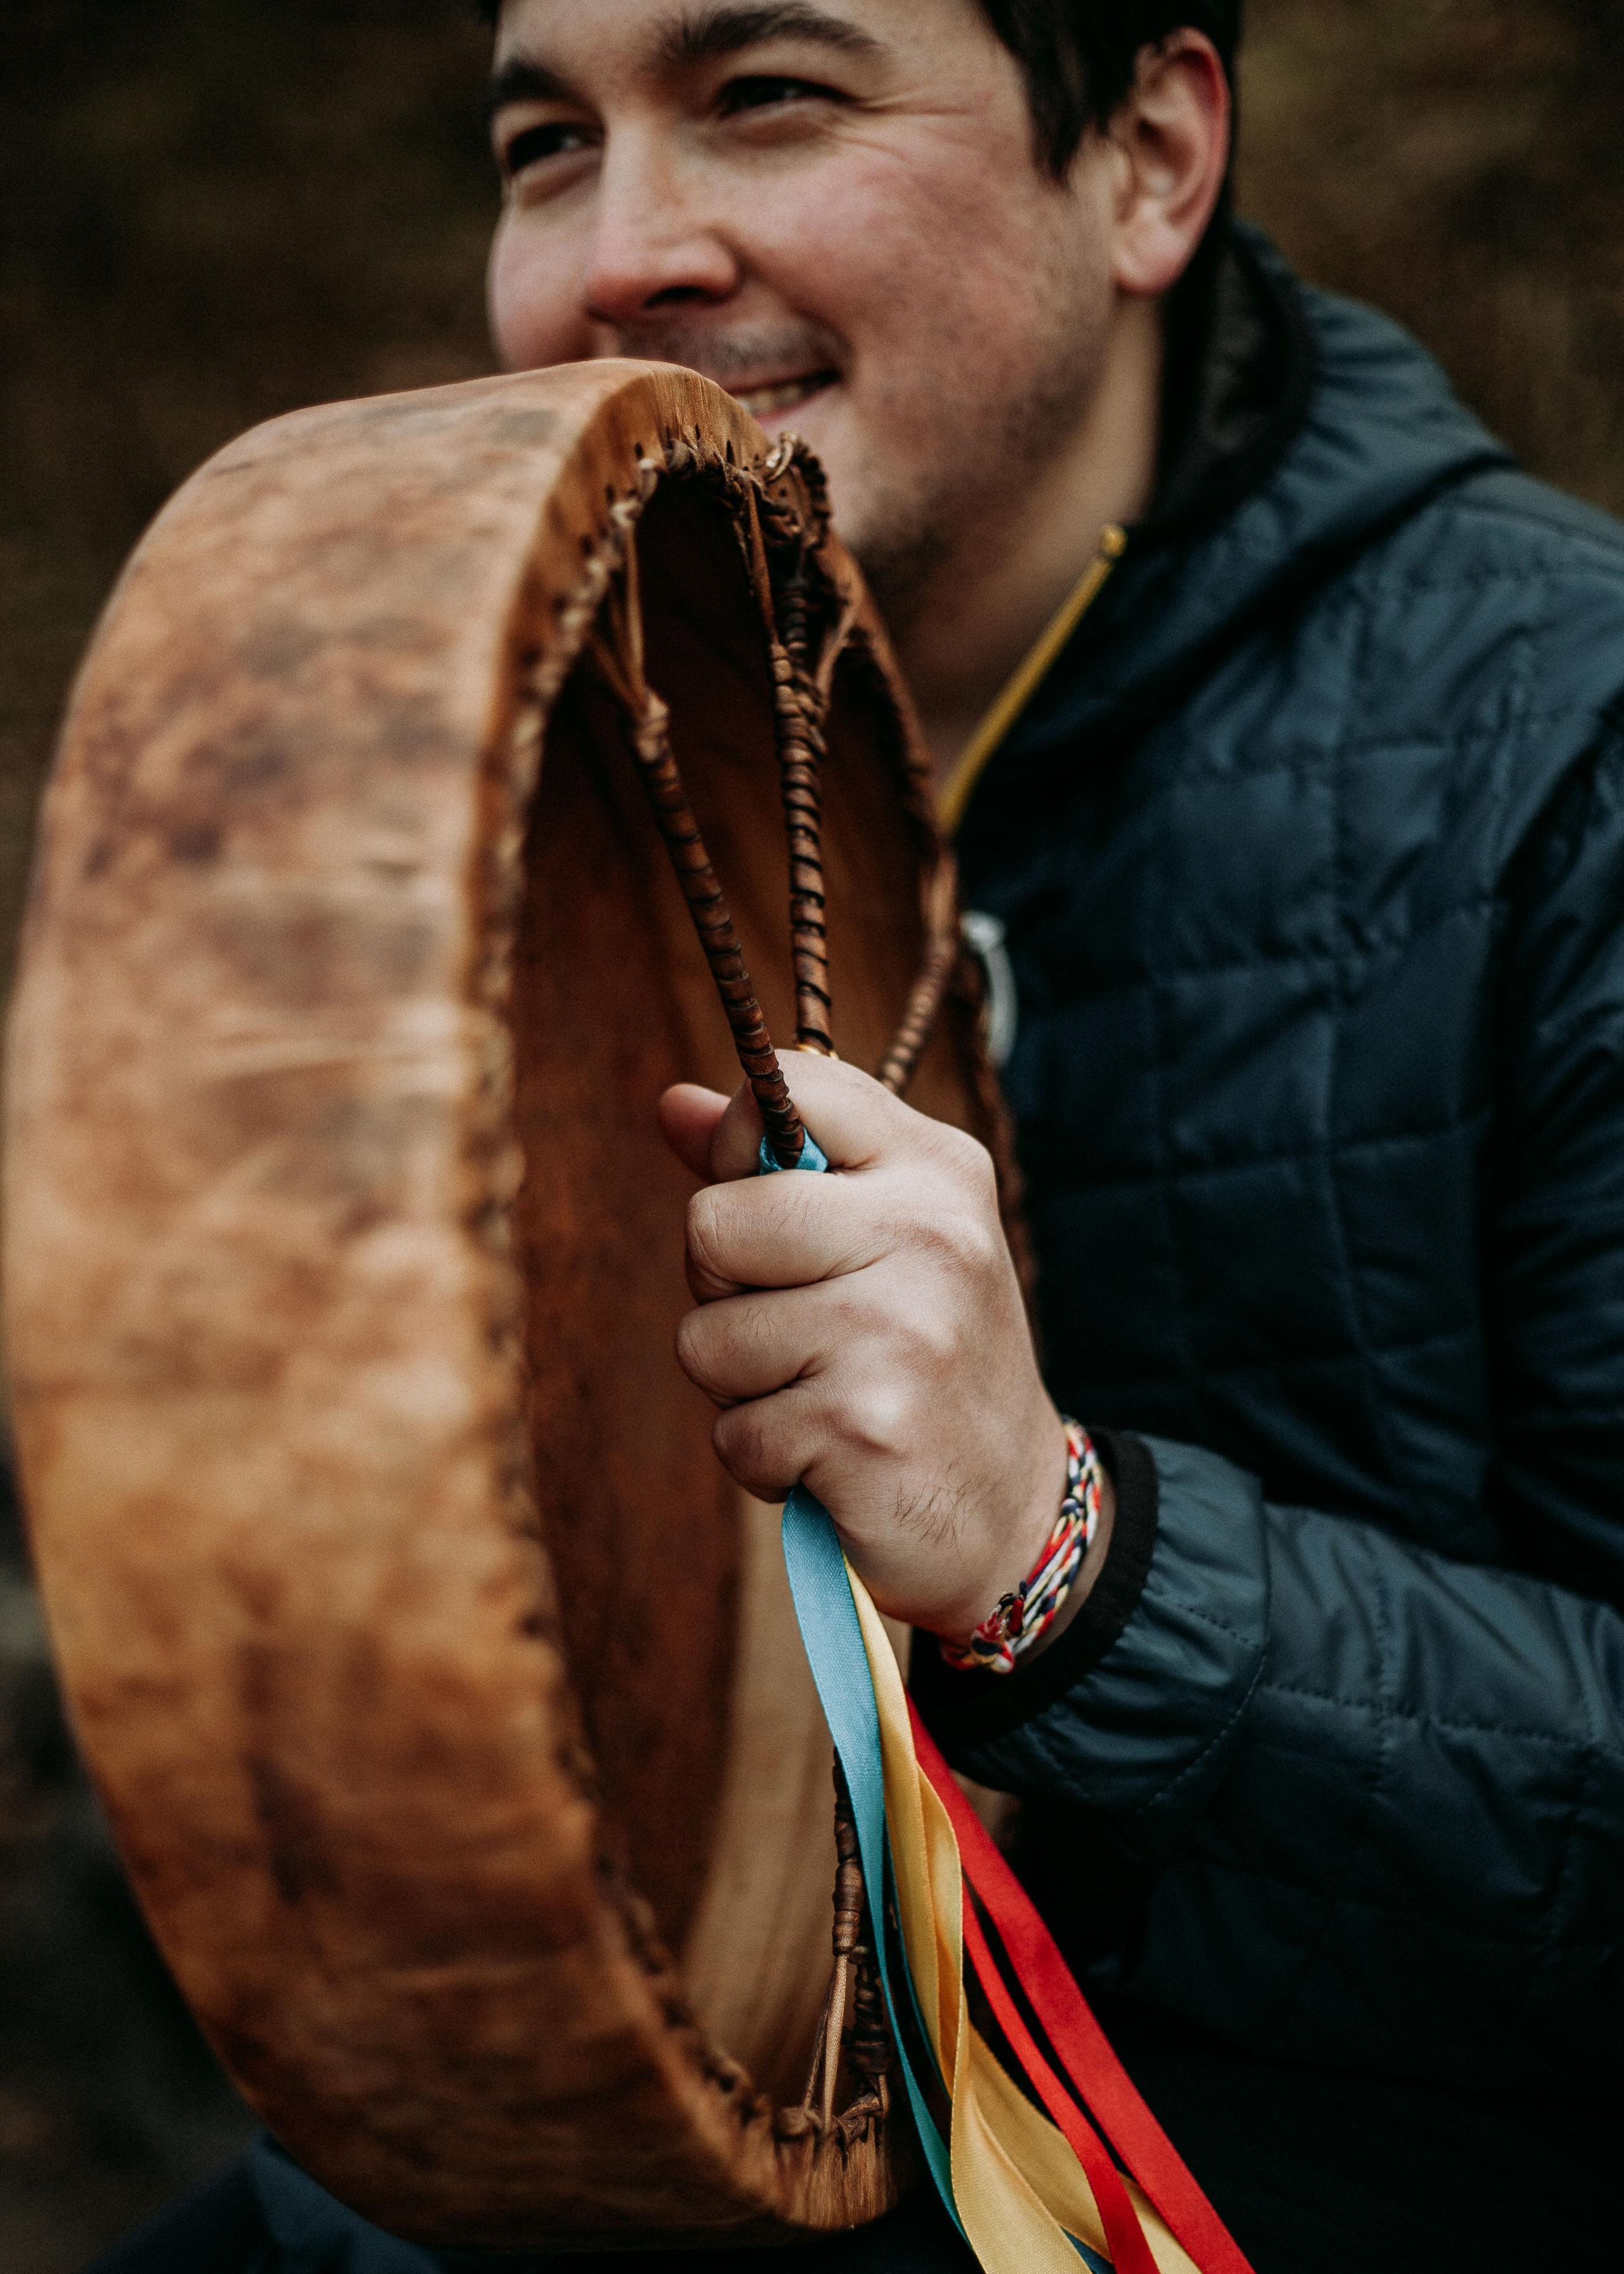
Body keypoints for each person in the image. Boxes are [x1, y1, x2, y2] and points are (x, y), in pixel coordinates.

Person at [98, 3, 1624, 2269]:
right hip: (656, 2114)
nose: (620, 251)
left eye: (767, 95)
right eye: (542, 141)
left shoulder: (1565, 744)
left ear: (1148, 159)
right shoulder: (527, 748)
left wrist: (1061, 1552)